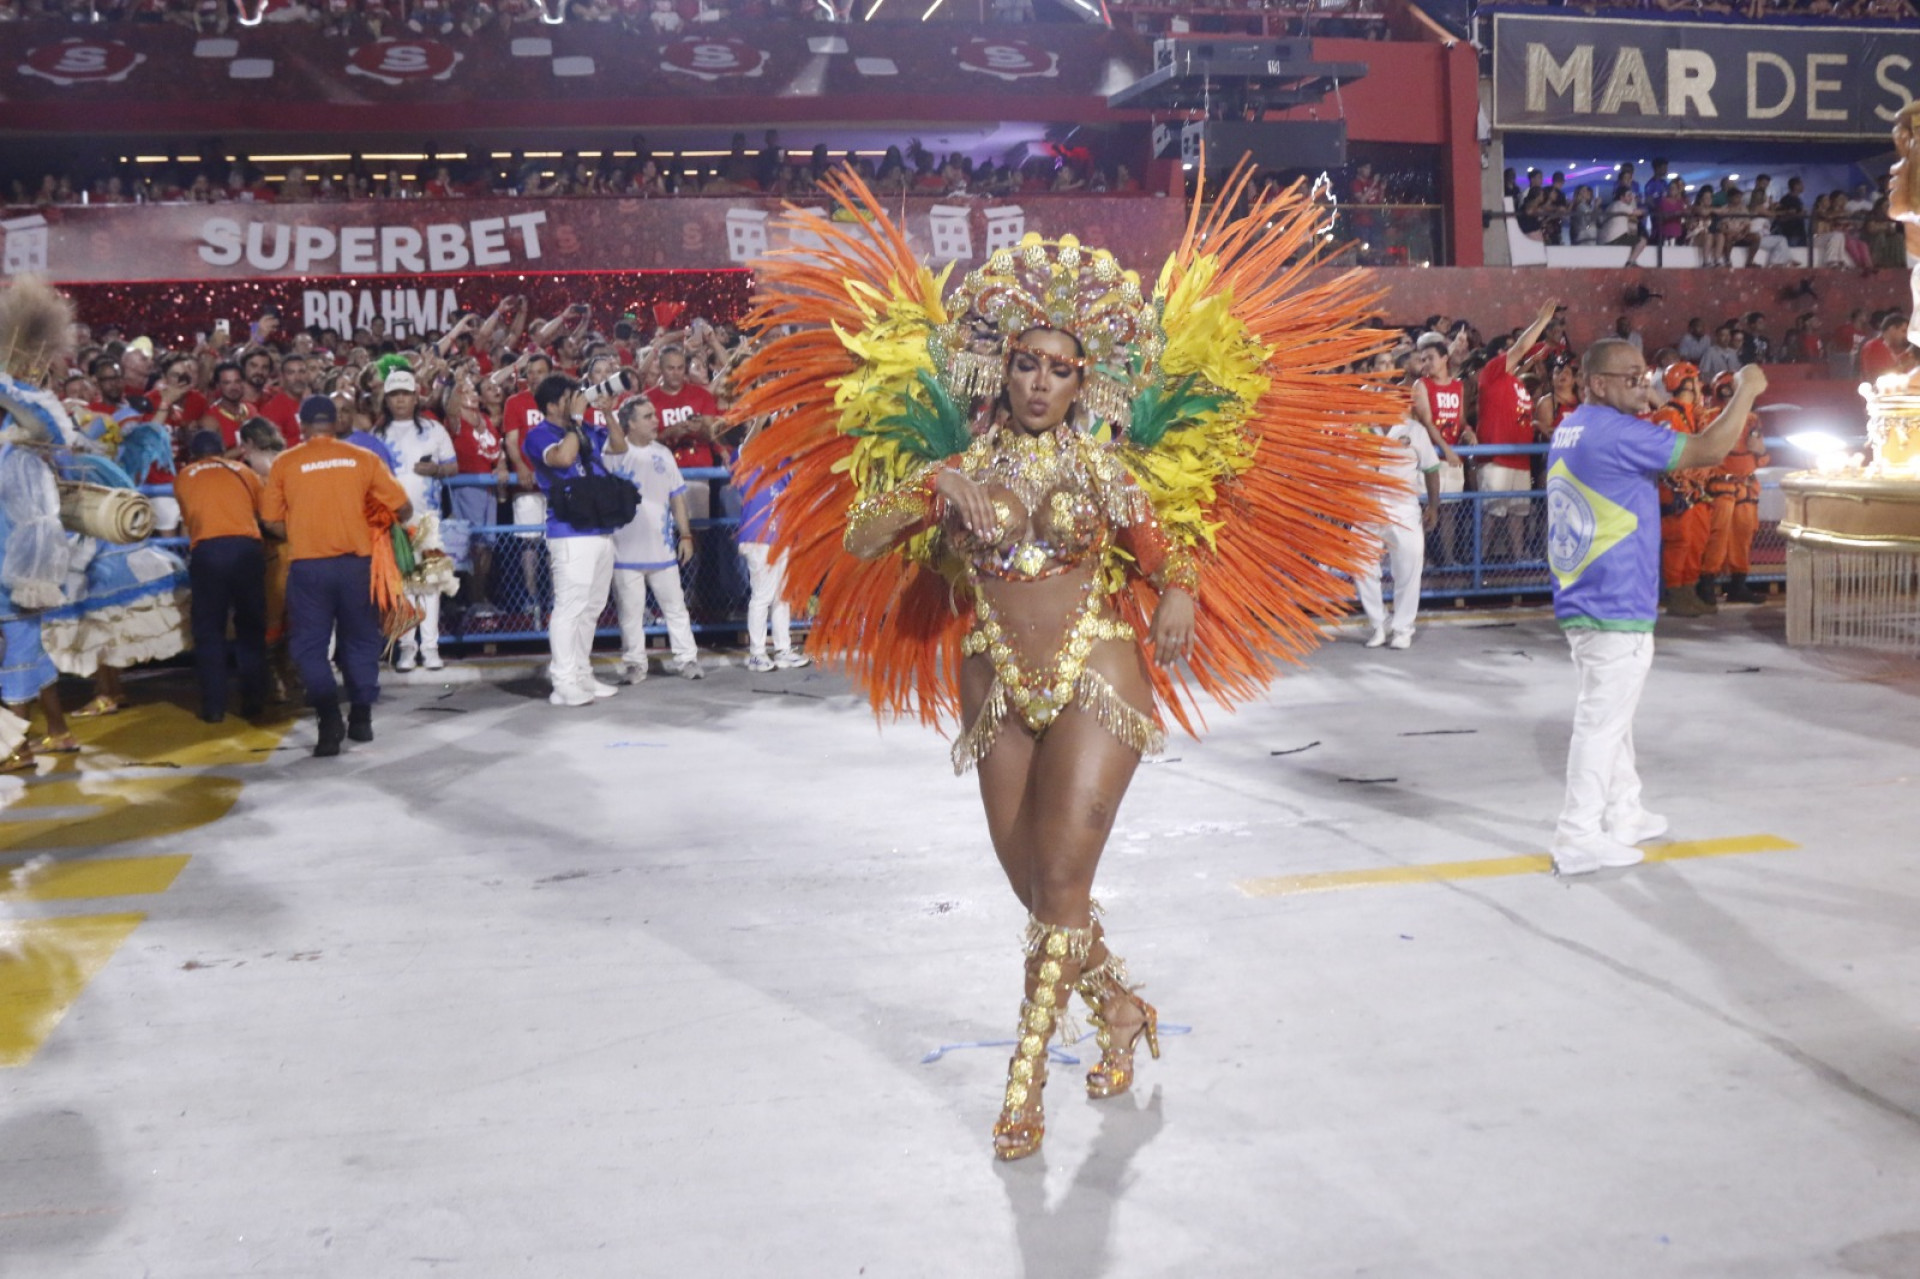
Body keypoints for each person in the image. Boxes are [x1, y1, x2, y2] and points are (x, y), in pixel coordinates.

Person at [733, 170, 1393, 1161]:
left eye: (1060, 368)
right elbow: (864, 542)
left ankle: (1024, 1085)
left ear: (1088, 382)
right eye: (1027, 364)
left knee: (1064, 886)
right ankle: (1120, 1005)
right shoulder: (958, 467)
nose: (1040, 381)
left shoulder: (1110, 473)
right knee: (1035, 884)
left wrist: (1175, 593)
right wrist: (928, 495)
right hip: (994, 678)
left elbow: (1177, 553)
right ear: (1002, 370)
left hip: (1097, 673)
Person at [1544, 343, 1767, 875]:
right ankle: (1577, 834)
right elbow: (1711, 448)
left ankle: (1625, 811)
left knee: (1612, 717)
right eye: (1629, 379)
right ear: (1596, 383)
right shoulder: (1615, 432)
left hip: (1589, 595)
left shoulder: (1574, 427)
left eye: (1643, 378)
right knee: (1602, 722)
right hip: (1612, 599)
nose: (1642, 388)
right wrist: (1747, 390)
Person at [261, 396, 413, 757]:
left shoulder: (285, 463)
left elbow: (269, 521)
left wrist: (299, 531)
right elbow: (403, 508)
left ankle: (329, 720)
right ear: (335, 422)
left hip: (309, 568)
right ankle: (360, 718)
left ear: (301, 424)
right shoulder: (363, 459)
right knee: (360, 642)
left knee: (310, 647)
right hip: (356, 566)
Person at [524, 373, 622, 706]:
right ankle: (563, 682)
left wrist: (607, 413)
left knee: (592, 608)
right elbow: (564, 458)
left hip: (599, 528)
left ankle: (582, 674)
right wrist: (577, 420)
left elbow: (620, 447)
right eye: (570, 397)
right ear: (552, 406)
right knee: (570, 608)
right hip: (569, 532)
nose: (578, 400)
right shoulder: (538, 435)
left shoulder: (585, 429)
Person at [173, 429, 268, 722]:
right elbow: (261, 510)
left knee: (209, 632)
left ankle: (214, 707)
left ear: (193, 454)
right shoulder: (244, 471)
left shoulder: (184, 476)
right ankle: (254, 702)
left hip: (208, 552)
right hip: (245, 549)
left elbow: (190, 516)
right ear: (222, 449)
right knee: (251, 629)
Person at [603, 397, 701, 682]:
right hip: (625, 552)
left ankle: (687, 659)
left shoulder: (664, 454)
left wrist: (685, 535)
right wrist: (608, 413)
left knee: (676, 608)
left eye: (654, 415)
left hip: (662, 550)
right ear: (630, 423)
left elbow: (677, 497)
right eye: (647, 416)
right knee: (630, 614)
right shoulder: (613, 451)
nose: (655, 420)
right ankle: (635, 663)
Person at [375, 365, 457, 672]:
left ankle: (431, 647)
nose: (400, 400)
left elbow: (452, 466)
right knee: (403, 585)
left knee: (431, 584)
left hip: (427, 519)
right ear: (386, 399)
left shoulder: (434, 430)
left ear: (415, 397)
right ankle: (407, 648)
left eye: (405, 394)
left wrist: (435, 470)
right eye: (394, 395)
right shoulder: (377, 434)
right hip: (393, 521)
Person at [1355, 360, 1441, 649]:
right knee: (1361, 565)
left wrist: (1434, 506)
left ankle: (1403, 629)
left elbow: (1431, 470)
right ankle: (1378, 625)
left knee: (1408, 567)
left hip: (1403, 508)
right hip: (1365, 507)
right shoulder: (1360, 430)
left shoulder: (1414, 431)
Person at [1475, 300, 1558, 568]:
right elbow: (1522, 347)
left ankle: (1519, 561)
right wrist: (1541, 322)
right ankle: (1480, 564)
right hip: (1497, 457)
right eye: (1509, 348)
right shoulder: (1492, 373)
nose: (1516, 352)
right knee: (1491, 514)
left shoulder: (1516, 384)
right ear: (1500, 353)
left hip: (1520, 458)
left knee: (1517, 514)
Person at [732, 429, 810, 673]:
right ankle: (756, 654)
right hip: (759, 538)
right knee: (763, 597)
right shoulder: (747, 462)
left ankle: (783, 651)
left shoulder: (783, 466)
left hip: (781, 538)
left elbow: (800, 459)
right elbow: (751, 438)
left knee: (782, 598)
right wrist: (764, 414)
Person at [1648, 362, 1716, 616]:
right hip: (1676, 488)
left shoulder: (1696, 413)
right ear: (1685, 383)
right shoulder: (1667, 416)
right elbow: (1666, 455)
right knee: (1680, 541)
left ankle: (1689, 589)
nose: (1699, 387)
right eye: (1696, 381)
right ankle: (1676, 594)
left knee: (1698, 540)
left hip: (1696, 487)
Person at [1700, 372, 1771, 605]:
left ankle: (1738, 585)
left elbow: (1761, 454)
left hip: (1746, 486)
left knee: (1744, 536)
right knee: (1717, 537)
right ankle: (1706, 583)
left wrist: (1759, 451)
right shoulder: (1710, 418)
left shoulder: (1752, 420)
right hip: (1721, 486)